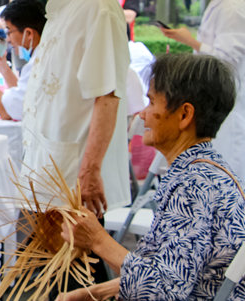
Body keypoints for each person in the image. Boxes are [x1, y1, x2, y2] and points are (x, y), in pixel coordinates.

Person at [58, 53, 245, 301]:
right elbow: (173, 273)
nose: (142, 114)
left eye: (152, 102)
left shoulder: (194, 185)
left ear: (184, 115)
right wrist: (96, 292)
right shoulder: (205, 170)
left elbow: (165, 292)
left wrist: (98, 240)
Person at [21, 0, 130, 220]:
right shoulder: (62, 6)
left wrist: (91, 170)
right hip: (48, 173)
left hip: (73, 182)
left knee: (75, 267)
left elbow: (107, 95)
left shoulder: (96, 7)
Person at [159, 0, 245, 180]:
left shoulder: (233, 7)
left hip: (228, 100)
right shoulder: (221, 1)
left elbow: (227, 61)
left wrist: (192, 42)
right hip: (215, 99)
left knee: (228, 174)